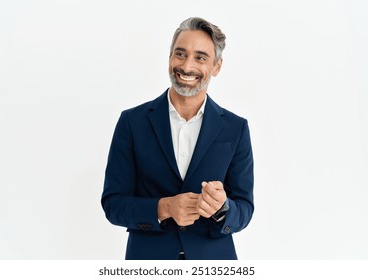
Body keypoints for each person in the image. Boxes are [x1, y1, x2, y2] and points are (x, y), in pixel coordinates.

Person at [101, 17, 254, 260]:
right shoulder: (132, 122)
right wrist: (165, 208)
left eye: (200, 57)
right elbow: (113, 204)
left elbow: (245, 209)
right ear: (170, 57)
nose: (187, 66)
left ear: (216, 67)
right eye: (180, 54)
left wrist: (222, 208)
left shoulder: (236, 128)